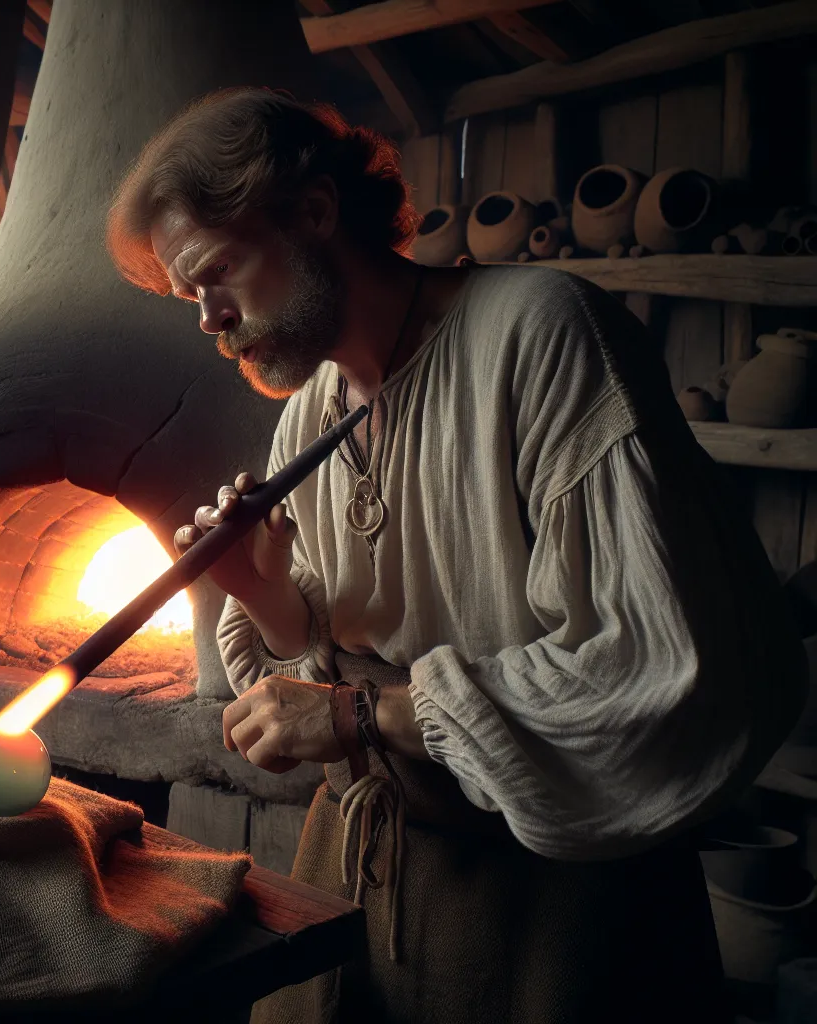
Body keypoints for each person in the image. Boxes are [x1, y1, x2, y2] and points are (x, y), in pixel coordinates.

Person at [106, 88, 805, 1023]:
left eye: (216, 272)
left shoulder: (542, 335)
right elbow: (320, 661)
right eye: (188, 296)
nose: (207, 318)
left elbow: (660, 666)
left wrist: (361, 713)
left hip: (554, 904)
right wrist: (264, 594)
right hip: (368, 873)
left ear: (314, 211)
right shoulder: (311, 415)